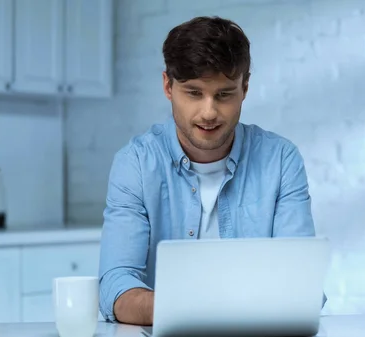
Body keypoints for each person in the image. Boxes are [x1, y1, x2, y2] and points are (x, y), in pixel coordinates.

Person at [98, 16, 324, 326]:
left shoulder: (281, 160)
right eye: (193, 93)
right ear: (168, 86)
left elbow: (301, 283)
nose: (209, 112)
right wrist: (205, 308)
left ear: (245, 87)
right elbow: (116, 288)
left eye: (224, 94)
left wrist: (196, 306)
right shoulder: (135, 164)